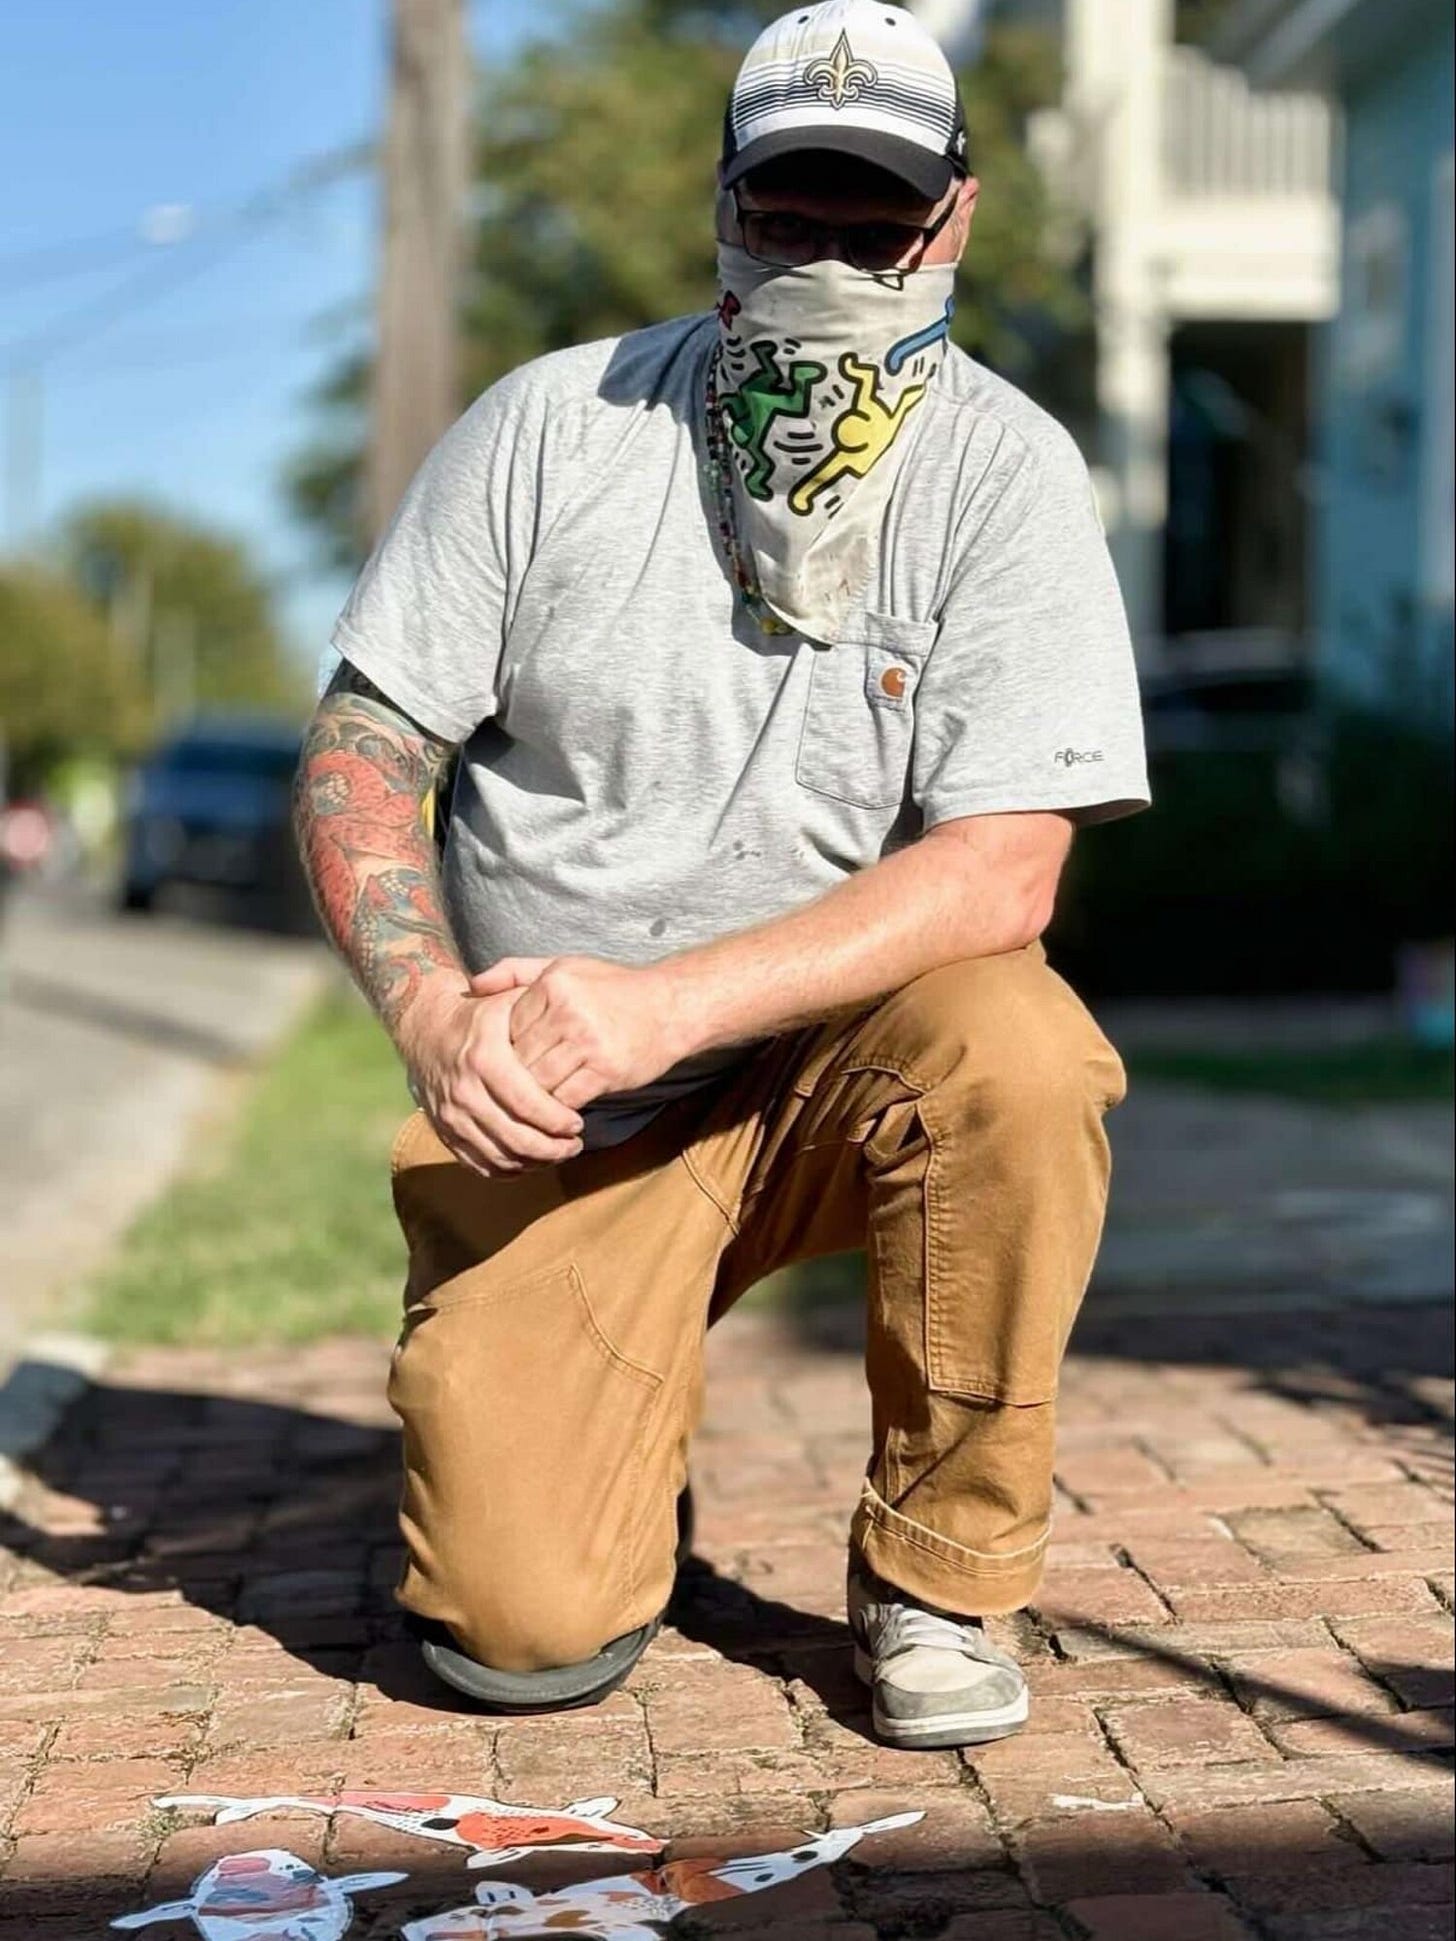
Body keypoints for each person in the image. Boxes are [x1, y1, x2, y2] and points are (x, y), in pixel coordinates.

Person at [294, 0, 1150, 1751]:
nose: (826, 258)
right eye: (786, 211)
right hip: (566, 1118)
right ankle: (608, 1435)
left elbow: (1004, 873)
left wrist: (662, 1005)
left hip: (840, 1071)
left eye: (874, 220)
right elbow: (362, 753)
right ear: (723, 204)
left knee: (1021, 1049)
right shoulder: (548, 428)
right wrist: (433, 1011)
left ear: (956, 219)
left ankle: (938, 1578)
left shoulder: (1008, 471)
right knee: (520, 1639)